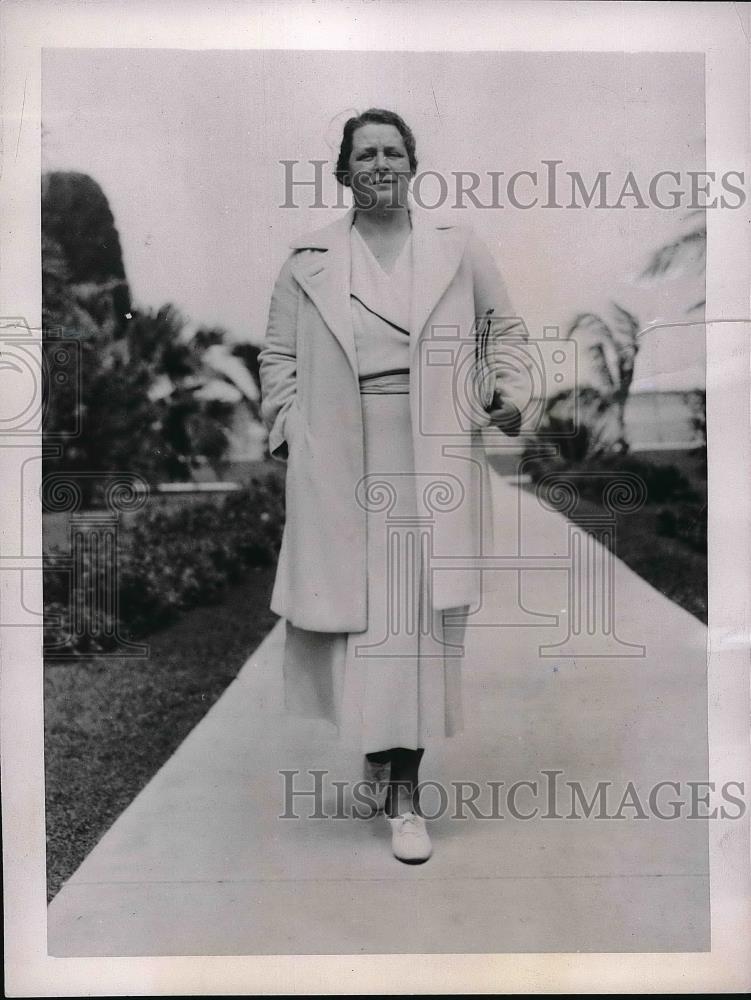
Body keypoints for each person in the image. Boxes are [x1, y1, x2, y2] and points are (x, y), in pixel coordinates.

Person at [258, 108, 528, 864]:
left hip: (429, 458)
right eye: (364, 155)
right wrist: (289, 431)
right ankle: (379, 756)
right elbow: (276, 357)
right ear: (343, 171)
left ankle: (406, 796)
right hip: (340, 457)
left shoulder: (457, 248)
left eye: (392, 152)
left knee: (413, 621)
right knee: (362, 619)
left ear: (413, 165)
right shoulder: (308, 256)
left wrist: (506, 392)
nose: (379, 164)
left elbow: (503, 331)